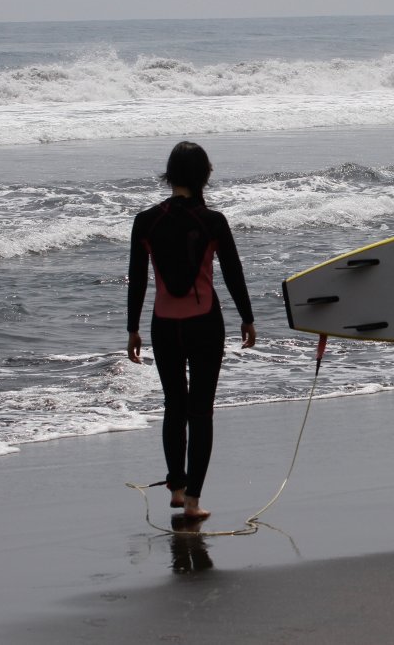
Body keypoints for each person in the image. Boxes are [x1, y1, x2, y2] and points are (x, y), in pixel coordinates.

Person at [127, 141, 256, 520]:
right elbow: (233, 272)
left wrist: (132, 329)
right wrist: (247, 317)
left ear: (169, 175)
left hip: (164, 325)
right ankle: (194, 502)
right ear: (204, 176)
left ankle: (177, 489)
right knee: (200, 412)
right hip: (204, 324)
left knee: (173, 407)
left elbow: (137, 280)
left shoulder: (146, 221)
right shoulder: (212, 221)